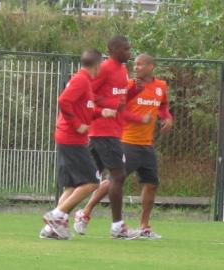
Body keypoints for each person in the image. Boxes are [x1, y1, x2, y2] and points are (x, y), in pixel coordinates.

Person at [74, 54, 173, 239]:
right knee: (114, 180)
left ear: (151, 66)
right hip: (126, 141)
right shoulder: (129, 86)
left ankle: (144, 226)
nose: (136, 68)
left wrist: (167, 117)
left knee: (151, 184)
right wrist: (137, 118)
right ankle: (85, 212)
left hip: (147, 144)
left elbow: (164, 106)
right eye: (134, 65)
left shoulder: (161, 86)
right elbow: (119, 109)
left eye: (140, 65)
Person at [39, 49, 112, 240]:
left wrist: (100, 113)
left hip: (69, 137)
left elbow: (83, 108)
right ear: (98, 64)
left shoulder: (84, 81)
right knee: (91, 182)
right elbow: (63, 101)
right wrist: (77, 124)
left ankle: (50, 230)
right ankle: (56, 217)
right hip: (71, 138)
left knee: (71, 186)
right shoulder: (81, 80)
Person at [84, 35, 137, 239]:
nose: (129, 53)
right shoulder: (105, 68)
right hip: (103, 130)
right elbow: (89, 93)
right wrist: (102, 109)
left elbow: (119, 99)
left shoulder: (123, 70)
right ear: (113, 49)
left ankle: (58, 216)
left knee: (87, 179)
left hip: (111, 130)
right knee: (118, 175)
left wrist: (133, 92)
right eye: (126, 49)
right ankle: (117, 226)